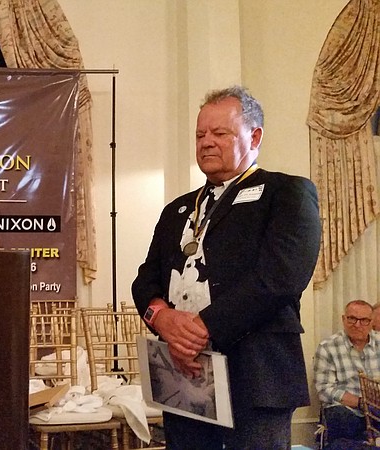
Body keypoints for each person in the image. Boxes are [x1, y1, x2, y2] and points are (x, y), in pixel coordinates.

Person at [131, 86, 321, 449]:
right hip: (184, 375)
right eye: (201, 134)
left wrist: (201, 329)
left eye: (221, 133)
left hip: (255, 375)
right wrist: (162, 318)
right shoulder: (177, 209)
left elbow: (279, 279)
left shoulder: (287, 193)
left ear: (255, 136)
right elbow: (146, 279)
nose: (207, 142)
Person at [314, 300, 380, 449]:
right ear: (344, 319)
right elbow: (325, 390)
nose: (357, 325)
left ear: (371, 323)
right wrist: (362, 403)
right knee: (340, 418)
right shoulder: (327, 347)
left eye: (364, 320)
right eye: (352, 319)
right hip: (349, 410)